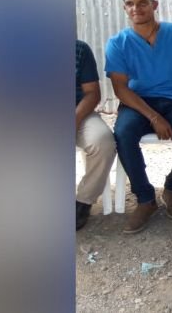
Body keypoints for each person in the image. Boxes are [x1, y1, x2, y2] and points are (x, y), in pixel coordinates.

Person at [106, 0, 172, 234]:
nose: (136, 8)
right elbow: (121, 89)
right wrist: (153, 116)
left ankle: (171, 189)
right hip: (137, 102)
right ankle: (145, 198)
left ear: (154, 4)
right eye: (130, 4)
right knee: (123, 133)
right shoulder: (119, 43)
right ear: (124, 8)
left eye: (142, 3)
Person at [75, 39, 116, 231]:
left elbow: (92, 93)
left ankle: (84, 201)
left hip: (79, 113)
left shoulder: (79, 49)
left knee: (103, 142)